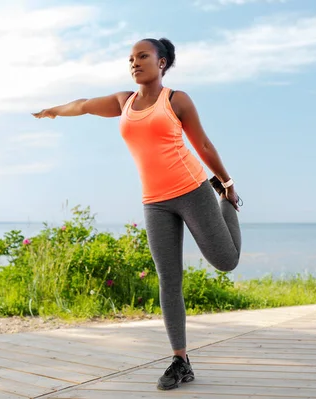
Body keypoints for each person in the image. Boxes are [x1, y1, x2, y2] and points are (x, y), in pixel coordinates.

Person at [32, 37, 242, 391]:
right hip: (155, 201)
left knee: (225, 261)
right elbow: (83, 105)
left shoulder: (176, 100)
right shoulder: (123, 102)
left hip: (193, 190)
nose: (134, 63)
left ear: (161, 63)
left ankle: (225, 201)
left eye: (142, 56)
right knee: (168, 279)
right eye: (130, 58)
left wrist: (226, 182)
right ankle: (180, 360)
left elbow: (202, 144)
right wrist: (55, 109)